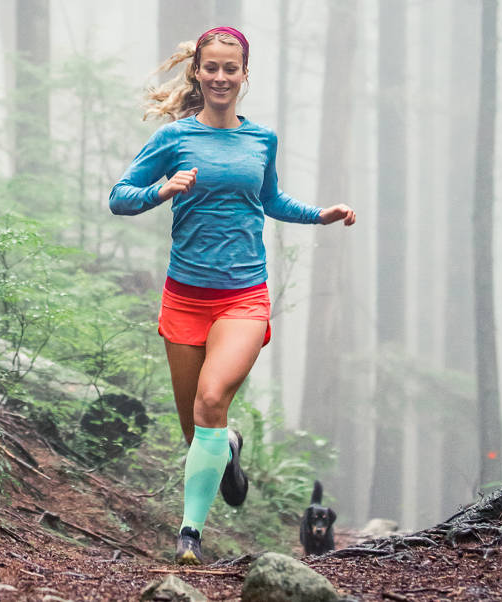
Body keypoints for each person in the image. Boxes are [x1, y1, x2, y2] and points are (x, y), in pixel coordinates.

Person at [108, 26, 356, 565]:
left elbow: (271, 199)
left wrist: (320, 213)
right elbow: (119, 198)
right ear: (198, 72)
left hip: (243, 295)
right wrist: (162, 189)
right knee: (198, 429)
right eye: (212, 68)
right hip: (184, 298)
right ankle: (229, 451)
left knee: (212, 400)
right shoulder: (173, 139)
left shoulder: (261, 140)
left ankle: (189, 534)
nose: (221, 77)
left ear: (245, 74)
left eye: (231, 68)